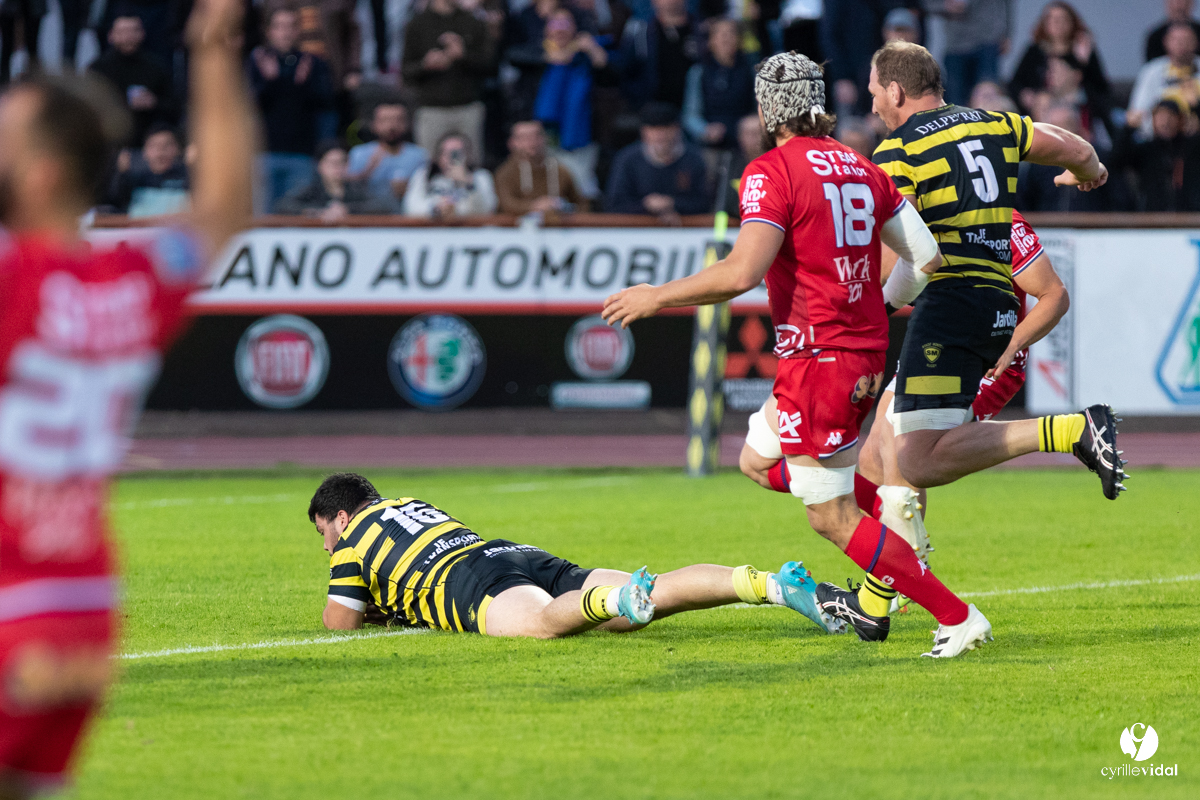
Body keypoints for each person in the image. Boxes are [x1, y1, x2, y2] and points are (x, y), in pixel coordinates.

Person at [603, 53, 994, 659]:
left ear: (766, 110)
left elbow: (741, 272)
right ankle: (890, 517)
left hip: (821, 358)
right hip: (850, 352)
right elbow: (927, 257)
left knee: (829, 518)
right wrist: (878, 310)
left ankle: (956, 615)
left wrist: (658, 297)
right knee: (758, 461)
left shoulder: (770, 170)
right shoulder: (862, 166)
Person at [0, 0, 254, 795]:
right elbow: (223, 207)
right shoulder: (126, 283)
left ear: (40, 175)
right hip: (81, 614)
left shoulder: (13, 281)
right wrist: (212, 48)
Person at [741, 210, 1070, 617]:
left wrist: (1012, 345)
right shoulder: (896, 207)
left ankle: (896, 591)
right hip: (927, 349)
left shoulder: (999, 218)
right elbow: (881, 274)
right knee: (855, 462)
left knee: (900, 443)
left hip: (983, 357)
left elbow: (1053, 292)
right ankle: (901, 563)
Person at [865, 44, 1123, 503]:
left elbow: (899, 266)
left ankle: (1070, 430)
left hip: (949, 306)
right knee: (879, 457)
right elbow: (1076, 147)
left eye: (874, 92)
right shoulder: (995, 122)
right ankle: (892, 572)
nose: (872, 105)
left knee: (915, 460)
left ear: (895, 90)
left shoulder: (896, 152)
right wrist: (1089, 171)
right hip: (995, 305)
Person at [308, 472, 842, 637]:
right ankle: (772, 584)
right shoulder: (410, 503)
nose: (327, 546)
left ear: (341, 517)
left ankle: (613, 600)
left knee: (542, 624)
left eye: (323, 534)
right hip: (507, 551)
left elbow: (339, 622)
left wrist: (374, 608)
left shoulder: (353, 540)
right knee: (651, 596)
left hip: (466, 577)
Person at [248, 5, 335, 210]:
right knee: (263, 216)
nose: (285, 32)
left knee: (296, 215)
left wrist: (303, 85)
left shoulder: (313, 64)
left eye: (290, 27)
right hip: (264, 153)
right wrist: (269, 82)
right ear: (269, 31)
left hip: (301, 154)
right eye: (279, 26)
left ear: (297, 31)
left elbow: (325, 105)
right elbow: (248, 105)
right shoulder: (256, 62)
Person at [401, 0, 494, 157]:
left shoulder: (473, 22)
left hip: (468, 107)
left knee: (472, 166)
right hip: (431, 109)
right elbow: (406, 72)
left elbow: (491, 67)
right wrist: (426, 65)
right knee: (429, 167)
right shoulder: (417, 24)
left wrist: (463, 56)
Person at [1008, 2, 1111, 136]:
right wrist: (1026, 95)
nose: (1057, 23)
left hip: (1078, 114)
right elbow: (1015, 83)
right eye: (1052, 18)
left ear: (1072, 23)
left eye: (1062, 19)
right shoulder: (1035, 51)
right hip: (1039, 112)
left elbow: (1100, 88)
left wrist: (1082, 63)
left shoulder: (1083, 50)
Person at [604, 102, 709, 220]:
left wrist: (672, 204)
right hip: (634, 231)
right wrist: (646, 206)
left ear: (677, 129)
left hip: (683, 231)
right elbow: (614, 205)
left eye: (665, 129)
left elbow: (704, 203)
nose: (660, 136)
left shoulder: (693, 159)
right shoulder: (627, 159)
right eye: (654, 130)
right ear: (644, 131)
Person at [88, 14, 179, 145]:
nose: (128, 37)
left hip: (148, 140)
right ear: (111, 36)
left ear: (142, 33)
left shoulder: (156, 66)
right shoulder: (98, 69)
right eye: (123, 32)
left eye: (133, 31)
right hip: (109, 139)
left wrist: (154, 103)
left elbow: (175, 107)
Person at [531, 7, 610, 153]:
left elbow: (605, 66)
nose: (560, 30)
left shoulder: (583, 55)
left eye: (565, 24)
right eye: (555, 24)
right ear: (546, 29)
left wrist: (592, 47)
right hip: (541, 133)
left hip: (582, 136)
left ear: (574, 28)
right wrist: (561, 54)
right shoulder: (534, 53)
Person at [1017, 101, 1115, 212]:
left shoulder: (1102, 157)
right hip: (1046, 227)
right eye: (1053, 130)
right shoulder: (1036, 164)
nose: (1057, 136)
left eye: (1063, 128)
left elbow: (1117, 201)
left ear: (1077, 128)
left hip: (1095, 226)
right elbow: (1026, 201)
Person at [682, 17, 757, 150]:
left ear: (739, 40)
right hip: (710, 142)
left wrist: (750, 125)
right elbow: (690, 115)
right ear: (710, 41)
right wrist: (705, 130)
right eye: (719, 34)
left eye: (731, 33)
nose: (725, 38)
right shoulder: (698, 72)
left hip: (746, 140)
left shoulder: (752, 70)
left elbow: (760, 109)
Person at [1113, 99, 1200, 212]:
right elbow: (1116, 161)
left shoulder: (1191, 147)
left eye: (1171, 116)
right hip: (1153, 221)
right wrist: (1128, 129)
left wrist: (1196, 108)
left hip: (1189, 219)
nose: (1165, 122)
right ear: (1153, 120)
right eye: (1160, 116)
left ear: (1180, 120)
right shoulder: (1146, 150)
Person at [923, 0, 1011, 106]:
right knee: (956, 101)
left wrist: (1007, 32)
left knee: (989, 95)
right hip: (956, 44)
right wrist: (944, 5)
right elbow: (925, 4)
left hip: (988, 40)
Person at [615, 0, 700, 111]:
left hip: (695, 112)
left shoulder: (702, 30)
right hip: (655, 111)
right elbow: (626, 71)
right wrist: (640, 102)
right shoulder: (641, 32)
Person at [275, 141, 396, 219]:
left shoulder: (356, 189)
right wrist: (318, 212)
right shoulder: (310, 190)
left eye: (342, 162)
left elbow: (384, 205)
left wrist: (347, 209)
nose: (338, 168)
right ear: (320, 166)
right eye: (332, 163)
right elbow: (283, 205)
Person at [494, 119, 586, 214]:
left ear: (545, 139)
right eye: (524, 137)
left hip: (557, 227)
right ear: (512, 142)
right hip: (517, 227)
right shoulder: (505, 174)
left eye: (536, 136)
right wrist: (535, 206)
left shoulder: (561, 172)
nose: (532, 142)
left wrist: (564, 208)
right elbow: (506, 204)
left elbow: (580, 202)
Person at [346, 102, 428, 205]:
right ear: (374, 124)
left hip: (408, 215)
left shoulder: (419, 155)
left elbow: (428, 188)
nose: (391, 126)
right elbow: (347, 189)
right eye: (384, 120)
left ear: (407, 124)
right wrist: (367, 171)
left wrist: (409, 187)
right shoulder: (359, 154)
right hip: (368, 214)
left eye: (398, 120)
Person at [1129, 22, 1200, 140]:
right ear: (1165, 42)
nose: (1181, 44)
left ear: (1196, 42)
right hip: (1157, 140)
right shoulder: (1151, 71)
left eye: (1186, 39)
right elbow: (1138, 112)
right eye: (1175, 39)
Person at [402, 131, 497, 217]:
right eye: (446, 153)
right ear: (438, 157)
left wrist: (468, 184)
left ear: (468, 155)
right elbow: (410, 207)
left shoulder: (481, 176)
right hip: (433, 231)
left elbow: (488, 209)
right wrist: (435, 208)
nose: (451, 159)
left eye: (456, 153)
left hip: (469, 231)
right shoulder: (424, 175)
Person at [107, 123, 191, 216]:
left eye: (167, 145)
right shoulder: (133, 181)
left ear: (178, 149)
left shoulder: (189, 179)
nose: (160, 152)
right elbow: (112, 201)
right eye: (153, 146)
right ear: (144, 151)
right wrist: (120, 173)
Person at [0, 0, 46, 84]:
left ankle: (34, 83)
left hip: (33, 7)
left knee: (32, 48)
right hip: (9, 7)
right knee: (7, 48)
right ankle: (4, 83)